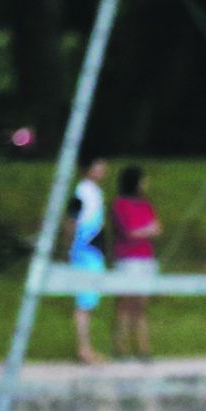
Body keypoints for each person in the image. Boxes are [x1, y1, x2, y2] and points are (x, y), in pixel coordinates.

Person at [111, 165, 161, 360]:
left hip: (145, 259)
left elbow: (157, 228)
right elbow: (129, 232)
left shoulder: (145, 204)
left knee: (140, 305)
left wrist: (142, 231)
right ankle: (121, 346)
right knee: (125, 303)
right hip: (128, 259)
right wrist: (145, 230)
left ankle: (143, 348)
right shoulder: (120, 204)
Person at [63, 156, 108, 364]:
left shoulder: (95, 192)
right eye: (98, 166)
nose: (103, 170)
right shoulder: (82, 191)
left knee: (88, 301)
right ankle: (84, 349)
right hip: (85, 250)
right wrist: (70, 247)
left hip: (92, 250)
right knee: (84, 301)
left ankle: (86, 347)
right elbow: (71, 219)